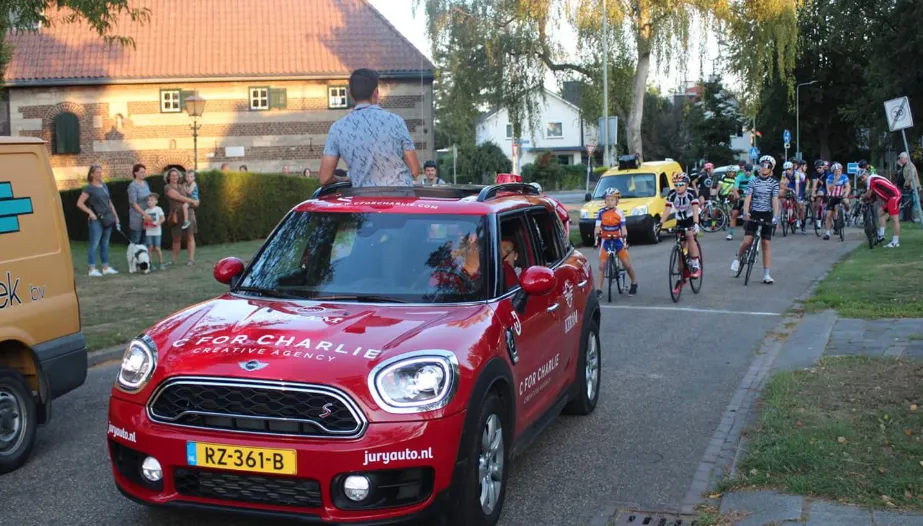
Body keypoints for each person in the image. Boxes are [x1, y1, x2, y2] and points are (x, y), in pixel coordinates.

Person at [319, 68, 420, 187]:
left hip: (363, 199)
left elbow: (325, 178)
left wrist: (345, 178)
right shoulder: (396, 121)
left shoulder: (337, 128)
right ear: (376, 93)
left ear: (350, 94)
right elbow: (414, 171)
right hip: (399, 197)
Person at [731, 155, 780, 284]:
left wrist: (775, 216)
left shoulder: (774, 183)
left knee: (766, 243)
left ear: (771, 169)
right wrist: (746, 212)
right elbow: (748, 198)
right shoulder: (753, 181)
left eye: (767, 166)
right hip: (754, 213)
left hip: (767, 213)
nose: (764, 168)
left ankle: (766, 274)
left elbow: (775, 200)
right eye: (762, 165)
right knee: (747, 241)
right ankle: (738, 258)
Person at [75, 164, 120, 276]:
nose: (100, 174)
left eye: (101, 172)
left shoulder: (104, 186)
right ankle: (92, 269)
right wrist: (90, 213)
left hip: (107, 218)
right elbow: (79, 203)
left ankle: (105, 267)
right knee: (94, 244)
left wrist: (116, 216)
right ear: (92, 174)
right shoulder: (89, 188)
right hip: (96, 220)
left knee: (105, 244)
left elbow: (109, 203)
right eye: (98, 172)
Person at [660, 173, 701, 291]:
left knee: (689, 235)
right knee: (681, 247)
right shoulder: (672, 194)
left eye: (681, 184)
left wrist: (696, 224)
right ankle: (683, 275)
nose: (678, 187)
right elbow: (667, 210)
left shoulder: (691, 193)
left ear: (686, 184)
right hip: (680, 220)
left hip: (692, 217)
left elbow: (694, 209)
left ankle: (695, 263)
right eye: (676, 184)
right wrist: (660, 223)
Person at [594, 188, 638, 297]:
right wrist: (597, 233)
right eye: (608, 200)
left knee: (627, 265)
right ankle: (599, 290)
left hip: (617, 240)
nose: (610, 202)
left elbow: (623, 227)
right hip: (606, 240)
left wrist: (624, 235)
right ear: (605, 201)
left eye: (612, 200)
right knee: (602, 266)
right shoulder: (601, 212)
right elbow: (597, 226)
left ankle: (634, 282)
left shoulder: (620, 213)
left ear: (617, 201)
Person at [163, 168, 200, 266]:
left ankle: (191, 260)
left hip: (189, 213)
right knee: (176, 238)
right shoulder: (167, 187)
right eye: (172, 175)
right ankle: (174, 260)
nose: (175, 177)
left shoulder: (183, 186)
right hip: (176, 215)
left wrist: (195, 202)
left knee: (190, 236)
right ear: (168, 177)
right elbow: (178, 197)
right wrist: (192, 201)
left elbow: (193, 197)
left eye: (176, 175)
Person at [858, 171, 902, 247]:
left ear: (866, 174)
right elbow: (873, 195)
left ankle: (895, 242)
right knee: (880, 212)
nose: (862, 179)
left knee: (894, 220)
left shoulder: (871, 178)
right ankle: (881, 235)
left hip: (894, 197)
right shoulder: (873, 179)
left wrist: (862, 196)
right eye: (860, 178)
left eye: (862, 177)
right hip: (891, 198)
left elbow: (868, 193)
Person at [822, 162, 851, 240]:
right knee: (828, 215)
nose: (838, 172)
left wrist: (846, 194)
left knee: (846, 202)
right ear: (833, 171)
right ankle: (827, 233)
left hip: (841, 196)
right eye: (836, 171)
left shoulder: (844, 176)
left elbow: (848, 186)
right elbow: (829, 189)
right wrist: (835, 180)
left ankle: (847, 212)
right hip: (832, 197)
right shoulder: (829, 177)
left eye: (839, 170)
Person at [126, 163, 152, 245]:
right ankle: (133, 257)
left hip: (147, 215)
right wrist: (144, 214)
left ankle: (143, 258)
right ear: (135, 173)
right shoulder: (132, 186)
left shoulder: (146, 183)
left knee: (145, 241)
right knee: (136, 241)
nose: (143, 174)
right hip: (137, 217)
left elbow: (150, 197)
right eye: (141, 172)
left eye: (144, 172)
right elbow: (133, 203)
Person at [727, 163, 753, 240]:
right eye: (746, 171)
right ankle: (730, 233)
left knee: (750, 215)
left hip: (750, 199)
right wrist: (737, 196)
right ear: (743, 170)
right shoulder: (739, 177)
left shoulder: (754, 178)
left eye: (749, 171)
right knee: (734, 214)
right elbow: (735, 188)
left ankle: (750, 232)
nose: (748, 172)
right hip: (740, 198)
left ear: (752, 171)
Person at [142, 193, 167, 270]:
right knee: (150, 248)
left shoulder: (158, 209)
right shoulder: (146, 211)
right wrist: (145, 225)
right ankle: (151, 264)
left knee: (157, 248)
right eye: (148, 200)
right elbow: (144, 222)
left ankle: (161, 263)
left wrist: (157, 223)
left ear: (156, 201)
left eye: (151, 200)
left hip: (157, 232)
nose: (149, 202)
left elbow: (163, 219)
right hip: (149, 232)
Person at [780, 161, 806, 232]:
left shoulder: (796, 174)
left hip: (798, 186)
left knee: (800, 207)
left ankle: (803, 224)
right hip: (790, 186)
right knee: (780, 193)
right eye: (785, 169)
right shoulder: (784, 174)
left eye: (788, 169)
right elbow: (781, 185)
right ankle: (786, 210)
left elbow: (797, 186)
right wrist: (788, 189)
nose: (787, 171)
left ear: (791, 169)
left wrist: (796, 195)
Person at [809, 160, 829, 229]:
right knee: (813, 204)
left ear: (823, 167)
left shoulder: (826, 173)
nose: (818, 169)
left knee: (820, 197)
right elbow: (814, 183)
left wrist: (828, 193)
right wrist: (812, 194)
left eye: (820, 167)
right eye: (817, 168)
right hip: (817, 188)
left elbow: (827, 183)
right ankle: (814, 217)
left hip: (825, 188)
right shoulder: (814, 173)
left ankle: (820, 218)